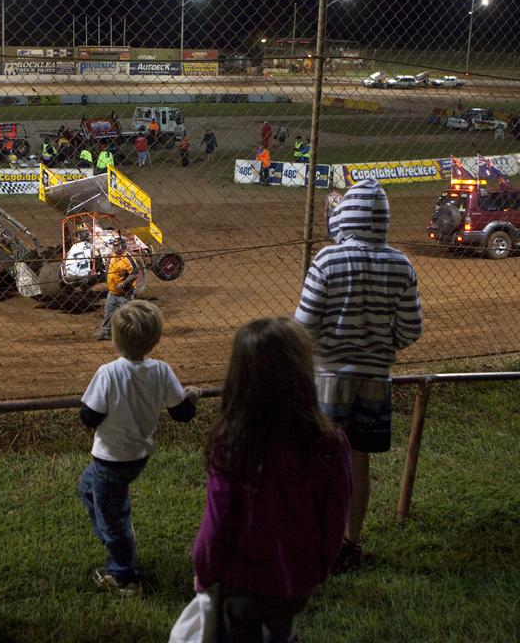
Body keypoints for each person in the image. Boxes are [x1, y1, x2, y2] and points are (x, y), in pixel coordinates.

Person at [193, 317, 353, 643]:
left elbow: (217, 524)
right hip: (297, 580)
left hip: (241, 582)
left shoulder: (232, 444)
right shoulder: (329, 442)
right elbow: (336, 518)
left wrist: (204, 572)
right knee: (280, 629)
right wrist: (320, 567)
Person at [294, 178, 423, 574]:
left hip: (328, 376)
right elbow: (411, 327)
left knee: (318, 458)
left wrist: (320, 348)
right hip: (374, 378)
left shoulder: (328, 260)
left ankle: (316, 538)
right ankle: (351, 542)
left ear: (344, 217)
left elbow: (303, 323)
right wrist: (384, 346)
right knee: (357, 458)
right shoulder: (401, 264)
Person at [79, 300, 199, 598]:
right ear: (155, 339)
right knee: (87, 488)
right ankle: (114, 539)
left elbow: (88, 417)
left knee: (113, 516)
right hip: (136, 455)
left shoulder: (108, 373)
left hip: (111, 457)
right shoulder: (161, 370)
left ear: (115, 339)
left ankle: (124, 577)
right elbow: (182, 413)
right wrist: (192, 396)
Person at [96, 238, 137, 341]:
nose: (115, 248)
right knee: (108, 312)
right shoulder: (112, 255)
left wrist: (124, 283)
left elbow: (135, 273)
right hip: (112, 292)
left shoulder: (128, 258)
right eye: (114, 246)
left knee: (126, 315)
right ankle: (106, 332)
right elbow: (108, 267)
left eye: (117, 246)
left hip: (125, 293)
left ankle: (129, 335)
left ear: (123, 246)